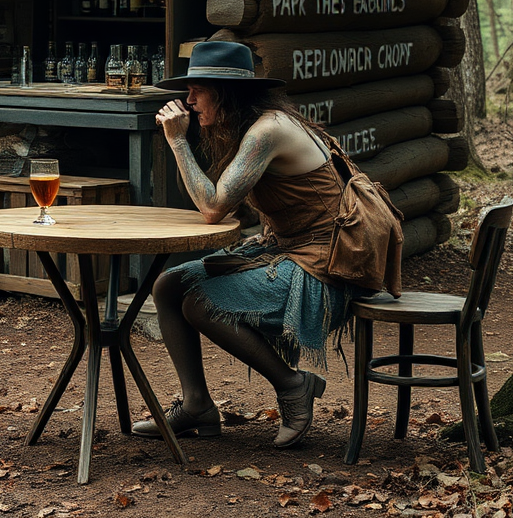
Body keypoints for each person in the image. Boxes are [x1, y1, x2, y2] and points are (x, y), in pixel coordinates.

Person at [132, 40, 378, 449]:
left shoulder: (268, 130)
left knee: (201, 301)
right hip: (294, 249)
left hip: (328, 265)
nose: (188, 101)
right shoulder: (252, 126)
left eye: (198, 90)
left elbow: (212, 207)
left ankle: (293, 385)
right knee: (167, 286)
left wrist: (177, 142)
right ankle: (197, 406)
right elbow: (219, 201)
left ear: (228, 93)